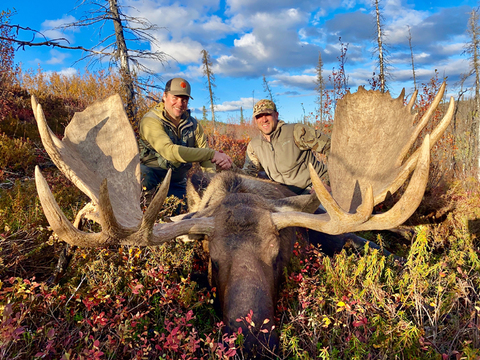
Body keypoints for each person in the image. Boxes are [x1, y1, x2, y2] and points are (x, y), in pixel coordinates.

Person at [138, 77, 232, 200]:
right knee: (142, 175)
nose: (180, 103)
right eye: (175, 98)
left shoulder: (194, 125)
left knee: (189, 209)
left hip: (177, 182)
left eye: (184, 99)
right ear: (164, 96)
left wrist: (211, 184)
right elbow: (169, 151)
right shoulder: (150, 120)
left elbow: (207, 160)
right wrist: (212, 154)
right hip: (152, 179)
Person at [243, 99, 331, 195]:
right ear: (255, 120)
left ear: (276, 115)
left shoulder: (296, 131)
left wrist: (326, 182)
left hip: (314, 189)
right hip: (286, 197)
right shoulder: (254, 145)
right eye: (259, 116)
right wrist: (228, 166)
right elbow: (248, 174)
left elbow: (331, 148)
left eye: (268, 114)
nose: (264, 119)